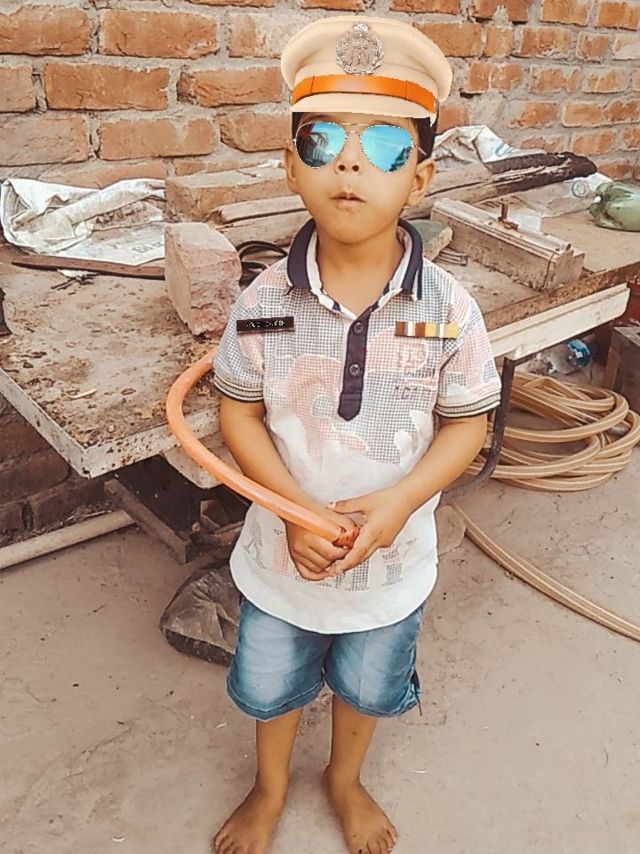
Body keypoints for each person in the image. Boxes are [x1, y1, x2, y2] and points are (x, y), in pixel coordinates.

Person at [211, 15, 502, 854]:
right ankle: (270, 787)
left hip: (392, 564)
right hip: (281, 558)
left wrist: (403, 499)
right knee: (271, 683)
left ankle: (343, 779)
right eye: (323, 141)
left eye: (382, 145)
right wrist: (291, 509)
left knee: (368, 684)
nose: (348, 163)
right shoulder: (262, 301)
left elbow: (468, 424)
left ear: (420, 177)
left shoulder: (450, 308)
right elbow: (236, 410)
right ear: (289, 166)